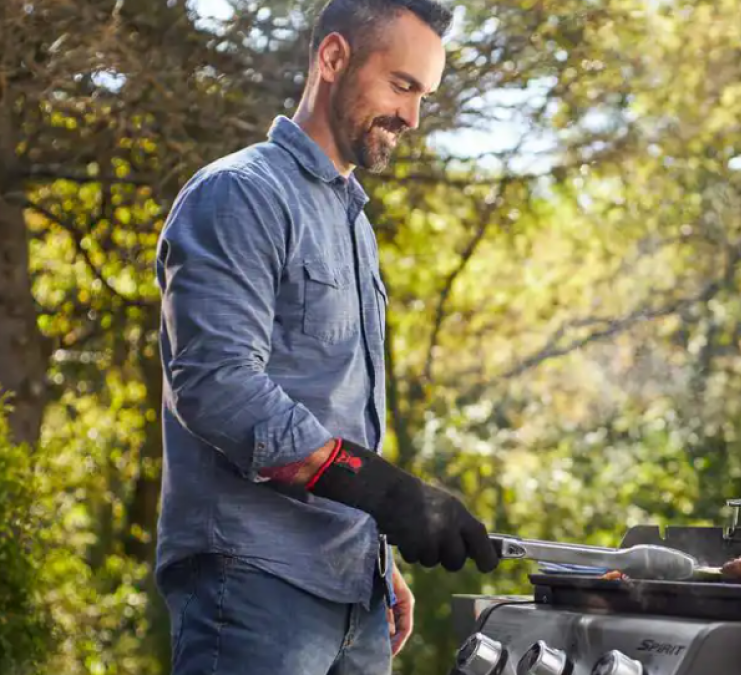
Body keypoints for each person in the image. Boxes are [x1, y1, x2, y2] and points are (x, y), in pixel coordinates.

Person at [152, 1, 499, 673]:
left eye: (424, 95)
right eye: (402, 86)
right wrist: (389, 492)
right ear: (334, 59)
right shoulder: (239, 194)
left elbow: (335, 401)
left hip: (354, 596)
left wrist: (376, 554)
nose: (413, 117)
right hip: (252, 585)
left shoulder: (354, 226)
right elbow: (218, 386)